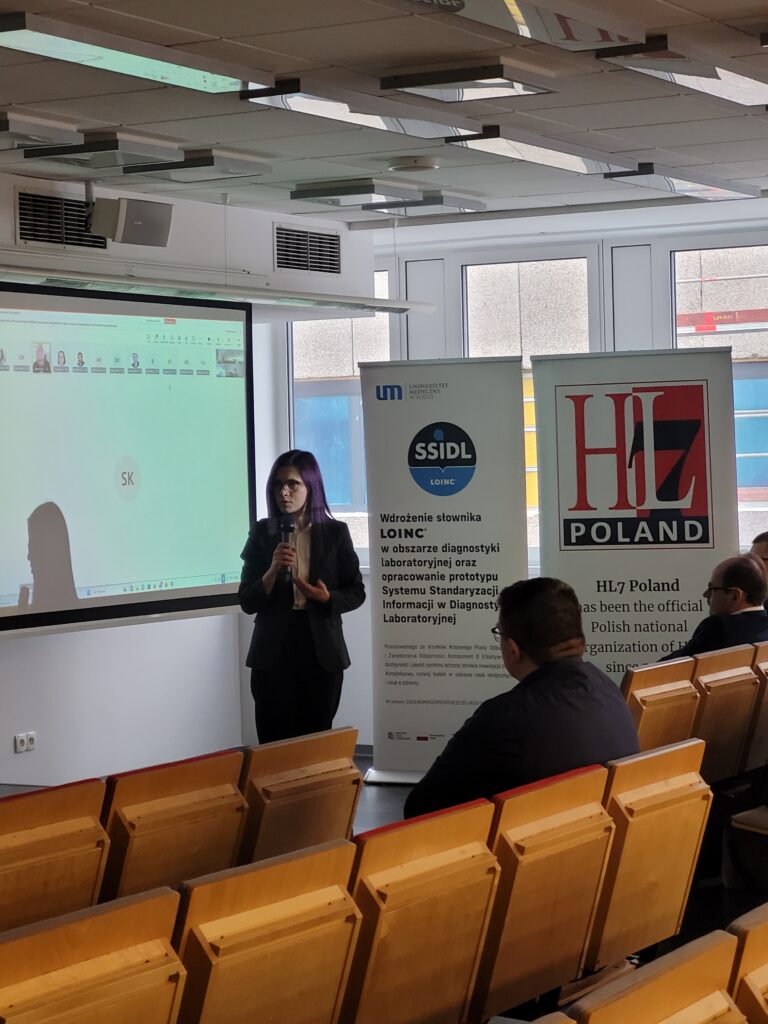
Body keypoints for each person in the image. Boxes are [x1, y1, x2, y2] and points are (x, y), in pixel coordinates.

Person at [403, 577, 638, 818]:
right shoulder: (607, 689)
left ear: (513, 649)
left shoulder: (503, 718)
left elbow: (419, 808)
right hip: (592, 833)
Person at [239, 450, 365, 743]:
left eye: (292, 484)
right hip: (274, 651)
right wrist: (272, 570)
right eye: (277, 484)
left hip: (320, 650)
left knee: (313, 743)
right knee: (274, 742)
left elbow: (356, 592)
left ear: (311, 486)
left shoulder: (335, 533)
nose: (283, 492)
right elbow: (247, 601)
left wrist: (327, 598)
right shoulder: (262, 533)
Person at [659, 555, 768, 661]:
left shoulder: (718, 628)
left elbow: (670, 665)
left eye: (712, 589)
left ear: (734, 596)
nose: (705, 594)